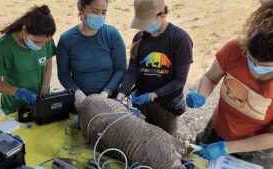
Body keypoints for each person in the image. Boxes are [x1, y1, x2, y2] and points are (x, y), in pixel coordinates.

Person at [186, 2, 273, 168]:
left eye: (264, 66)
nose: (254, 68)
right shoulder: (234, 49)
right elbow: (211, 78)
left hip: (254, 148)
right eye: (250, 58)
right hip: (217, 128)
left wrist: (227, 147)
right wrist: (201, 95)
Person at [116, 0, 193, 135]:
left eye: (147, 22)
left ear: (162, 14)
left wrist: (153, 95)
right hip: (140, 102)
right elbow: (132, 70)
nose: (144, 28)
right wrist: (121, 95)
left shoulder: (180, 39)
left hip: (166, 107)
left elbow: (179, 80)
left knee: (162, 145)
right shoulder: (139, 38)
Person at [56, 0, 127, 111]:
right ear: (81, 8)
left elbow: (121, 69)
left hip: (110, 101)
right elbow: (64, 74)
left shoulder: (112, 35)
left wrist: (106, 92)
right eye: (95, 11)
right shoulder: (66, 40)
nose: (100, 16)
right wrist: (78, 94)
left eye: (104, 13)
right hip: (81, 103)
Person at [0, 5, 56, 115]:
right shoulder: (3, 48)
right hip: (15, 106)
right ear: (24, 29)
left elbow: (48, 62)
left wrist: (44, 89)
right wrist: (19, 92)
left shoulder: (44, 38)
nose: (41, 46)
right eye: (37, 42)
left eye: (45, 42)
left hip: (41, 100)